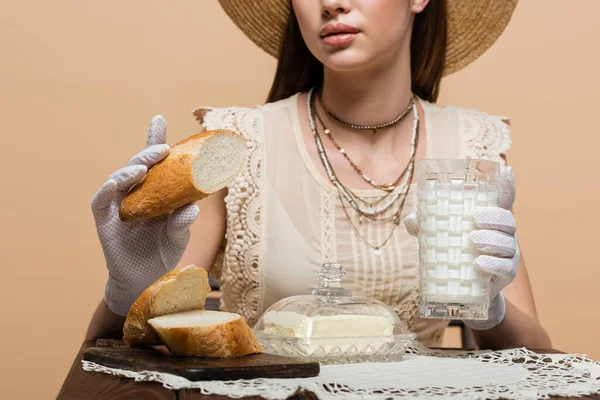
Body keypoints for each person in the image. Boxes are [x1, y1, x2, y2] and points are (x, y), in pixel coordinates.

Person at [86, 0, 551, 349]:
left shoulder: (473, 146)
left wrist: (491, 309)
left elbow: (538, 357)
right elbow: (130, 345)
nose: (331, 3)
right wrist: (127, 289)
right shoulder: (234, 144)